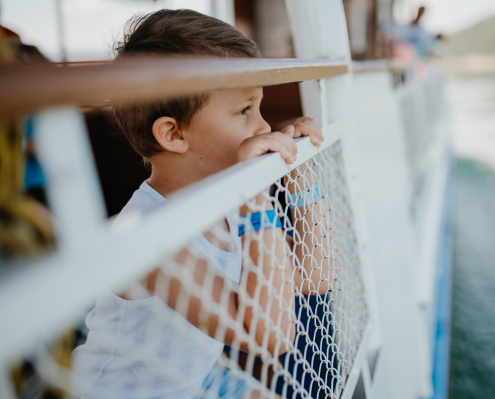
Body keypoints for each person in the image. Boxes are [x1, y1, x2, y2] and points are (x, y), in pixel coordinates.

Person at [71, 9, 332, 399]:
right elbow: (270, 338)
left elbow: (316, 281)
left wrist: (301, 177)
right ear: (173, 134)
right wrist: (253, 197)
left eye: (258, 107)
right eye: (244, 111)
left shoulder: (223, 199)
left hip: (196, 383)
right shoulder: (147, 234)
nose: (263, 127)